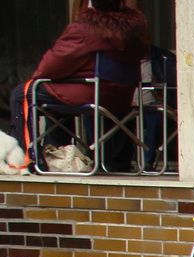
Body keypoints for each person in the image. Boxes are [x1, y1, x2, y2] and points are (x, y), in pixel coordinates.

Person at [7, 0, 148, 160]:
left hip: (89, 93)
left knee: (21, 93)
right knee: (56, 101)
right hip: (120, 97)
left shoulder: (84, 28)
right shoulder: (133, 32)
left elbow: (54, 64)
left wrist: (39, 76)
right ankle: (62, 157)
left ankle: (26, 159)